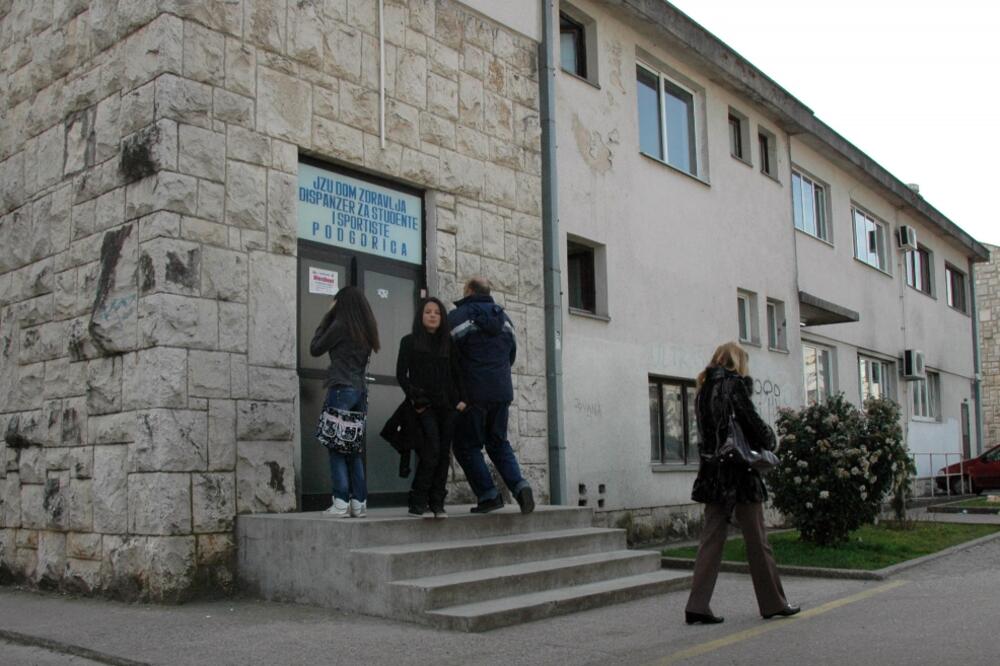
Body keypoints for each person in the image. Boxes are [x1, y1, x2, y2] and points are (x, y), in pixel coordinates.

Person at [684, 342, 800, 624]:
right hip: (740, 473)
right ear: (737, 362)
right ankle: (773, 603)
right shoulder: (734, 385)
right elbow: (753, 425)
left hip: (713, 474)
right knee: (757, 541)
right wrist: (770, 439)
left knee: (710, 541)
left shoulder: (702, 390)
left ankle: (697, 605)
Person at [448, 277, 534, 514]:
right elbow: (511, 356)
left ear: (469, 291)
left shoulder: (458, 317)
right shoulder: (505, 319)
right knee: (498, 442)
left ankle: (488, 495)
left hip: (473, 393)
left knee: (466, 446)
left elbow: (448, 356)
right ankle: (520, 486)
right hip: (501, 392)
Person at [310, 286, 380, 518]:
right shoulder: (366, 328)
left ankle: (340, 501)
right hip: (359, 391)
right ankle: (359, 502)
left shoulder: (340, 325)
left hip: (341, 388)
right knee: (353, 448)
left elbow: (315, 348)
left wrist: (327, 316)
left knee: (336, 446)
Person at [395, 297, 467, 519]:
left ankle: (437, 503)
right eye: (428, 312)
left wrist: (462, 401)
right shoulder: (409, 341)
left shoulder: (449, 343)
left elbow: (458, 374)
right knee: (432, 450)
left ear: (442, 317)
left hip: (448, 407)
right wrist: (415, 397)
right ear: (421, 316)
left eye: (437, 312)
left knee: (443, 454)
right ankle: (418, 501)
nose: (433, 315)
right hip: (423, 406)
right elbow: (401, 375)